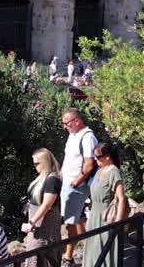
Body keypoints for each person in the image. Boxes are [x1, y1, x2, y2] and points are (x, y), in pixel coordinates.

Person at [59, 107, 97, 267]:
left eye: (66, 123)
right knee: (79, 219)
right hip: (67, 184)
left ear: (77, 121)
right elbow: (69, 159)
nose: (64, 127)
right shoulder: (73, 135)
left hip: (76, 187)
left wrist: (76, 182)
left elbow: (89, 165)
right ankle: (89, 251)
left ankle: (68, 257)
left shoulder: (88, 137)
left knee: (69, 222)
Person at [82, 144, 127, 267]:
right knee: (92, 250)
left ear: (107, 157)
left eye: (98, 157)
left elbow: (122, 198)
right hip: (94, 215)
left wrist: (118, 222)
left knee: (103, 250)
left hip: (106, 217)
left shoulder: (114, 172)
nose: (95, 160)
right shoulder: (99, 170)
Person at [21, 148, 63, 267]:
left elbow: (46, 205)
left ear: (44, 162)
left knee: (42, 257)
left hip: (45, 228)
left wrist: (31, 222)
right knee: (35, 256)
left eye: (36, 163)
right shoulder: (44, 178)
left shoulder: (52, 180)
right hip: (38, 227)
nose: (35, 166)